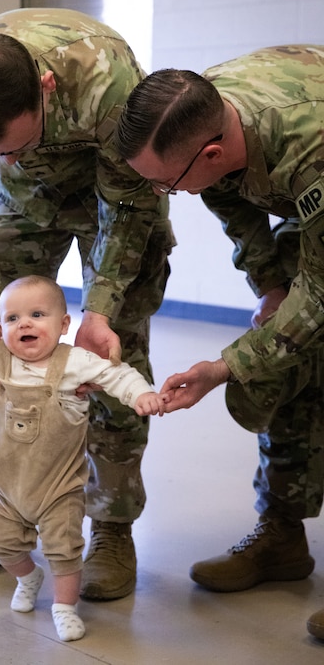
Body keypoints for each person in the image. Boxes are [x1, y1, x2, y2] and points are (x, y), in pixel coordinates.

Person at [0, 8, 174, 600]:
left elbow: (128, 205)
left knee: (114, 350)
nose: (11, 157)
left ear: (46, 91)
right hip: (21, 210)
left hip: (114, 202)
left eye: (19, 143)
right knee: (1, 355)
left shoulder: (107, 81)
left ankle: (111, 525)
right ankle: (7, 516)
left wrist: (100, 309)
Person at [114, 44, 324, 640]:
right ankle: (282, 535)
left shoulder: (312, 148)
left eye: (168, 186)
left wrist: (225, 367)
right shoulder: (203, 108)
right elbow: (232, 202)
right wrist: (272, 286)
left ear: (210, 152)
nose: (165, 194)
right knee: (290, 369)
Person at [0, 275, 168, 641]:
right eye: (13, 319)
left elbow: (116, 374)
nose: (24, 324)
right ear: (0, 328)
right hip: (7, 489)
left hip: (59, 489)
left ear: (64, 325)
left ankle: (64, 607)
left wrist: (140, 395)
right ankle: (28, 576)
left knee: (64, 550)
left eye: (37, 314)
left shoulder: (74, 362)